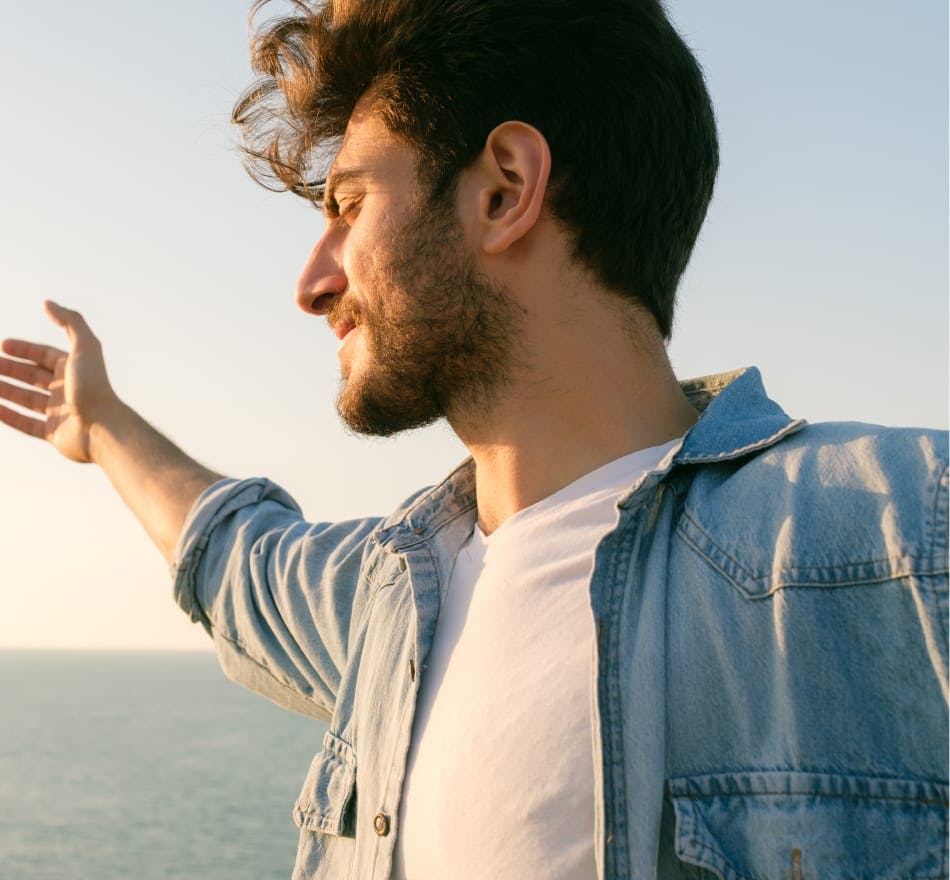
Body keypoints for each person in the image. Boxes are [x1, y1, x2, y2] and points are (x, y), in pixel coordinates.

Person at [1, 0, 947, 877]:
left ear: (504, 190)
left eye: (347, 206)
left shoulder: (907, 536)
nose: (311, 282)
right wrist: (104, 426)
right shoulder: (388, 604)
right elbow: (238, 558)